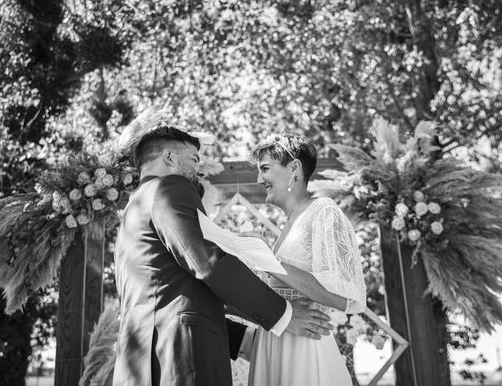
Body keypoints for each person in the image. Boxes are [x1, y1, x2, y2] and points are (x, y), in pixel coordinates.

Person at [112, 126, 333, 386]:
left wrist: (243, 340)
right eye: (194, 159)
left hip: (142, 360)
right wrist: (283, 314)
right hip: (179, 358)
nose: (200, 171)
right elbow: (208, 264)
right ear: (169, 158)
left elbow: (177, 291)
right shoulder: (169, 188)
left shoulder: (132, 211)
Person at [245, 134, 367, 386]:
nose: (259, 180)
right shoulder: (289, 223)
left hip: (304, 350)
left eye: (265, 169)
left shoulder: (324, 212)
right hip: (274, 344)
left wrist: (266, 258)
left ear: (294, 168)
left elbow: (347, 299)